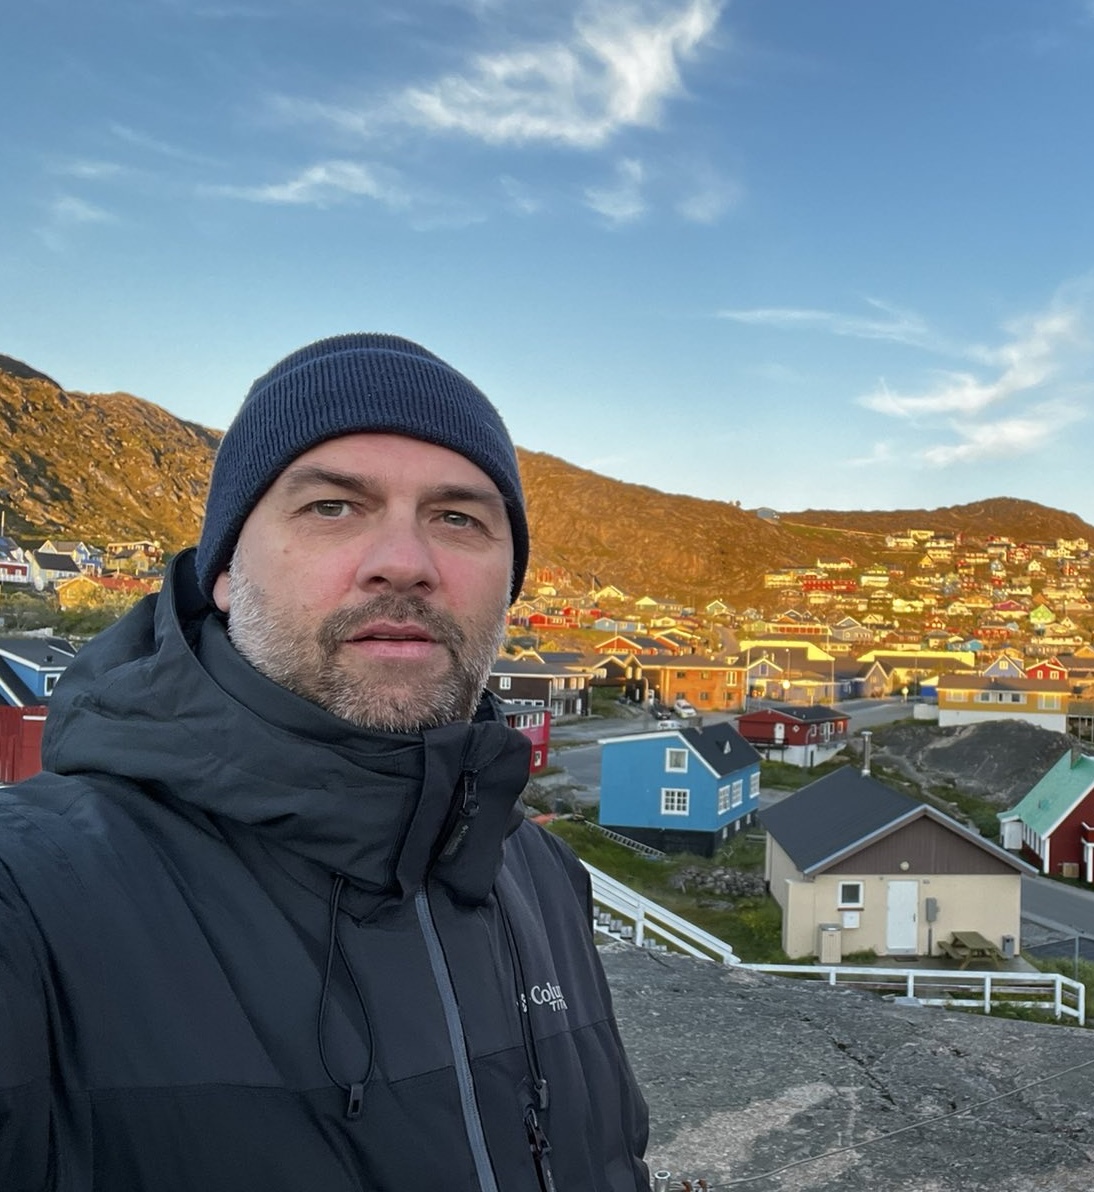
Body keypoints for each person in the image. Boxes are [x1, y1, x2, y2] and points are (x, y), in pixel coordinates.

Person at [0, 333, 650, 1191]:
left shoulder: (538, 878)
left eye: (457, 517)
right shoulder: (34, 897)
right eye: (333, 507)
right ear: (225, 571)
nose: (404, 565)